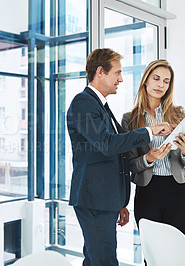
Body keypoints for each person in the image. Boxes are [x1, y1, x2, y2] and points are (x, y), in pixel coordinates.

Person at [66, 49, 173, 266]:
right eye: (117, 73)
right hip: (94, 200)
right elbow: (108, 144)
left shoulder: (100, 106)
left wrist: (120, 202)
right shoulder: (83, 103)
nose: (121, 79)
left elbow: (114, 155)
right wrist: (150, 131)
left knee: (95, 259)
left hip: (104, 200)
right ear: (100, 72)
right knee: (104, 261)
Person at [121, 59, 185, 240]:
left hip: (177, 191)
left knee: (175, 251)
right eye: (156, 78)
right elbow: (130, 165)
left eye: (166, 81)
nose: (161, 85)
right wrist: (148, 158)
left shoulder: (178, 114)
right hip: (148, 192)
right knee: (152, 253)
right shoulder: (130, 119)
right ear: (145, 80)